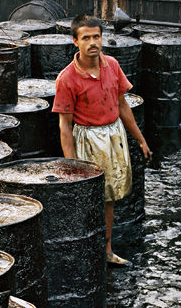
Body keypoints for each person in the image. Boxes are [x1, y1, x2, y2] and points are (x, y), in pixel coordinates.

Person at [54, 14, 151, 266]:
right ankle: (83, 252)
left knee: (109, 196)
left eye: (96, 36)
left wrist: (140, 139)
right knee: (86, 197)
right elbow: (65, 125)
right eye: (86, 38)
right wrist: (71, 163)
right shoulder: (67, 78)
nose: (92, 42)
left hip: (113, 134)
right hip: (88, 138)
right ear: (75, 41)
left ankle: (106, 250)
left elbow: (123, 105)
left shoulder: (112, 65)